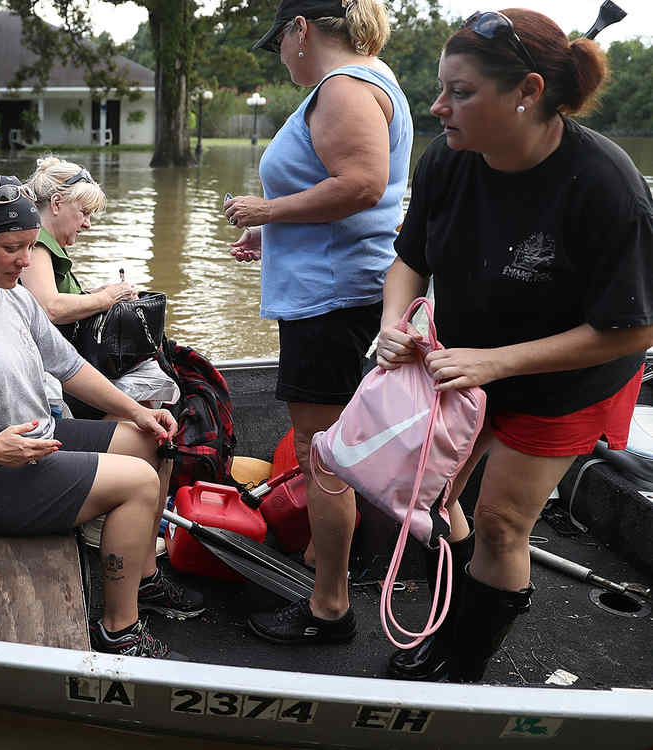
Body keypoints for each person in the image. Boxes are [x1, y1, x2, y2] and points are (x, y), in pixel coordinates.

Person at [375, 8, 653, 683]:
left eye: (460, 92)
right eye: (441, 88)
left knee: (501, 524)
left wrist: (496, 363)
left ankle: (467, 663)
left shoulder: (607, 187)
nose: (438, 106)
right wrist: (396, 322)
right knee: (433, 499)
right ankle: (457, 613)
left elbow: (635, 329)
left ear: (528, 92)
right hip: (467, 363)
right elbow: (409, 258)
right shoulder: (447, 157)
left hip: (568, 379)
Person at [0, 174, 204, 659]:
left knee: (152, 442)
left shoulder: (10, 294)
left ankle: (144, 579)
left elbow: (67, 366)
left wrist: (139, 412)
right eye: (13, 248)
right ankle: (120, 629)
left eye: (31, 246)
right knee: (137, 482)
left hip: (33, 441)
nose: (27, 261)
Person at [222, 0, 413, 644]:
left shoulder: (342, 87)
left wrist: (264, 213)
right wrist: (274, 237)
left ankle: (329, 605)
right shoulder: (372, 78)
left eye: (279, 41)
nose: (279, 55)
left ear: (301, 30)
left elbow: (362, 184)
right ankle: (323, 555)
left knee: (320, 453)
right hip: (346, 285)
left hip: (331, 299)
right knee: (334, 444)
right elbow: (360, 199)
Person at [19, 156, 180, 419]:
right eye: (83, 213)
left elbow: (59, 300)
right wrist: (107, 297)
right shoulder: (36, 246)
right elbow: (51, 307)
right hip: (52, 377)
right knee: (152, 391)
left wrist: (98, 295)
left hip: (63, 366)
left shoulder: (46, 245)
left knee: (152, 380)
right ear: (57, 203)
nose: (87, 224)